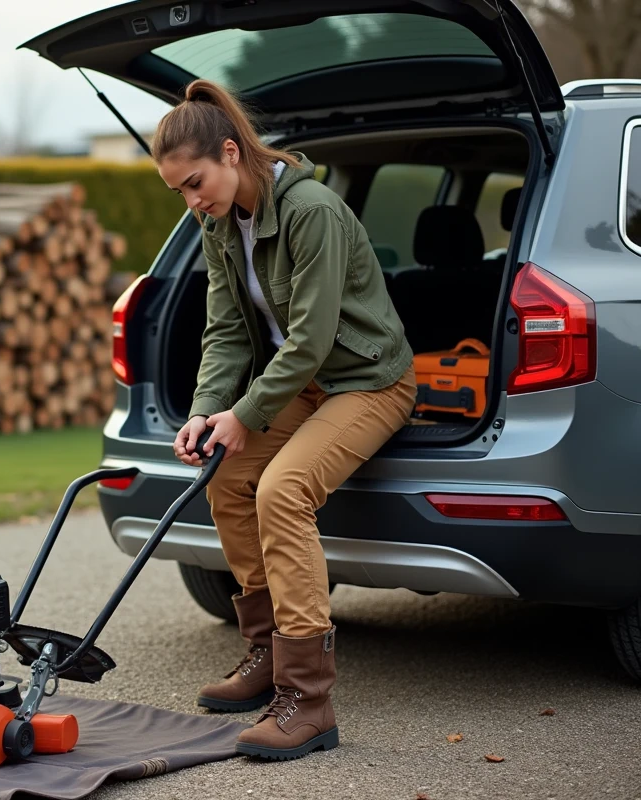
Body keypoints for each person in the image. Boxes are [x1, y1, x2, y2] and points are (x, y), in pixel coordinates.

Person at [153, 78, 418, 761]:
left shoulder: (312, 212)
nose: (190, 200)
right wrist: (207, 409)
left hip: (365, 380)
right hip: (302, 383)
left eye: (194, 182)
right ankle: (266, 654)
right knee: (227, 479)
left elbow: (312, 337)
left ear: (232, 153)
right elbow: (227, 330)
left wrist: (248, 411)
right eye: (178, 190)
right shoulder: (217, 224)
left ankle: (309, 702)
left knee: (283, 490)